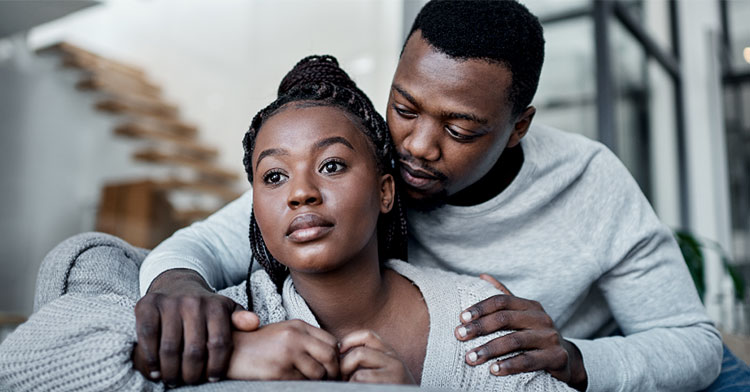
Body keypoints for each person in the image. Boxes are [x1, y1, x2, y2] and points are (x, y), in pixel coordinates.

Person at [136, 1, 724, 391]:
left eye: (461, 130)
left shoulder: (591, 182)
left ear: (519, 127)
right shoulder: (364, 161)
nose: (417, 145)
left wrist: (573, 359)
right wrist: (179, 289)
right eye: (404, 106)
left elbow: (695, 344)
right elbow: (201, 246)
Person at [221, 54, 574, 390]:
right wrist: (225, 353)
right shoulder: (219, 325)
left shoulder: (482, 317)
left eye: (331, 165)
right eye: (274, 176)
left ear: (386, 192)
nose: (301, 193)